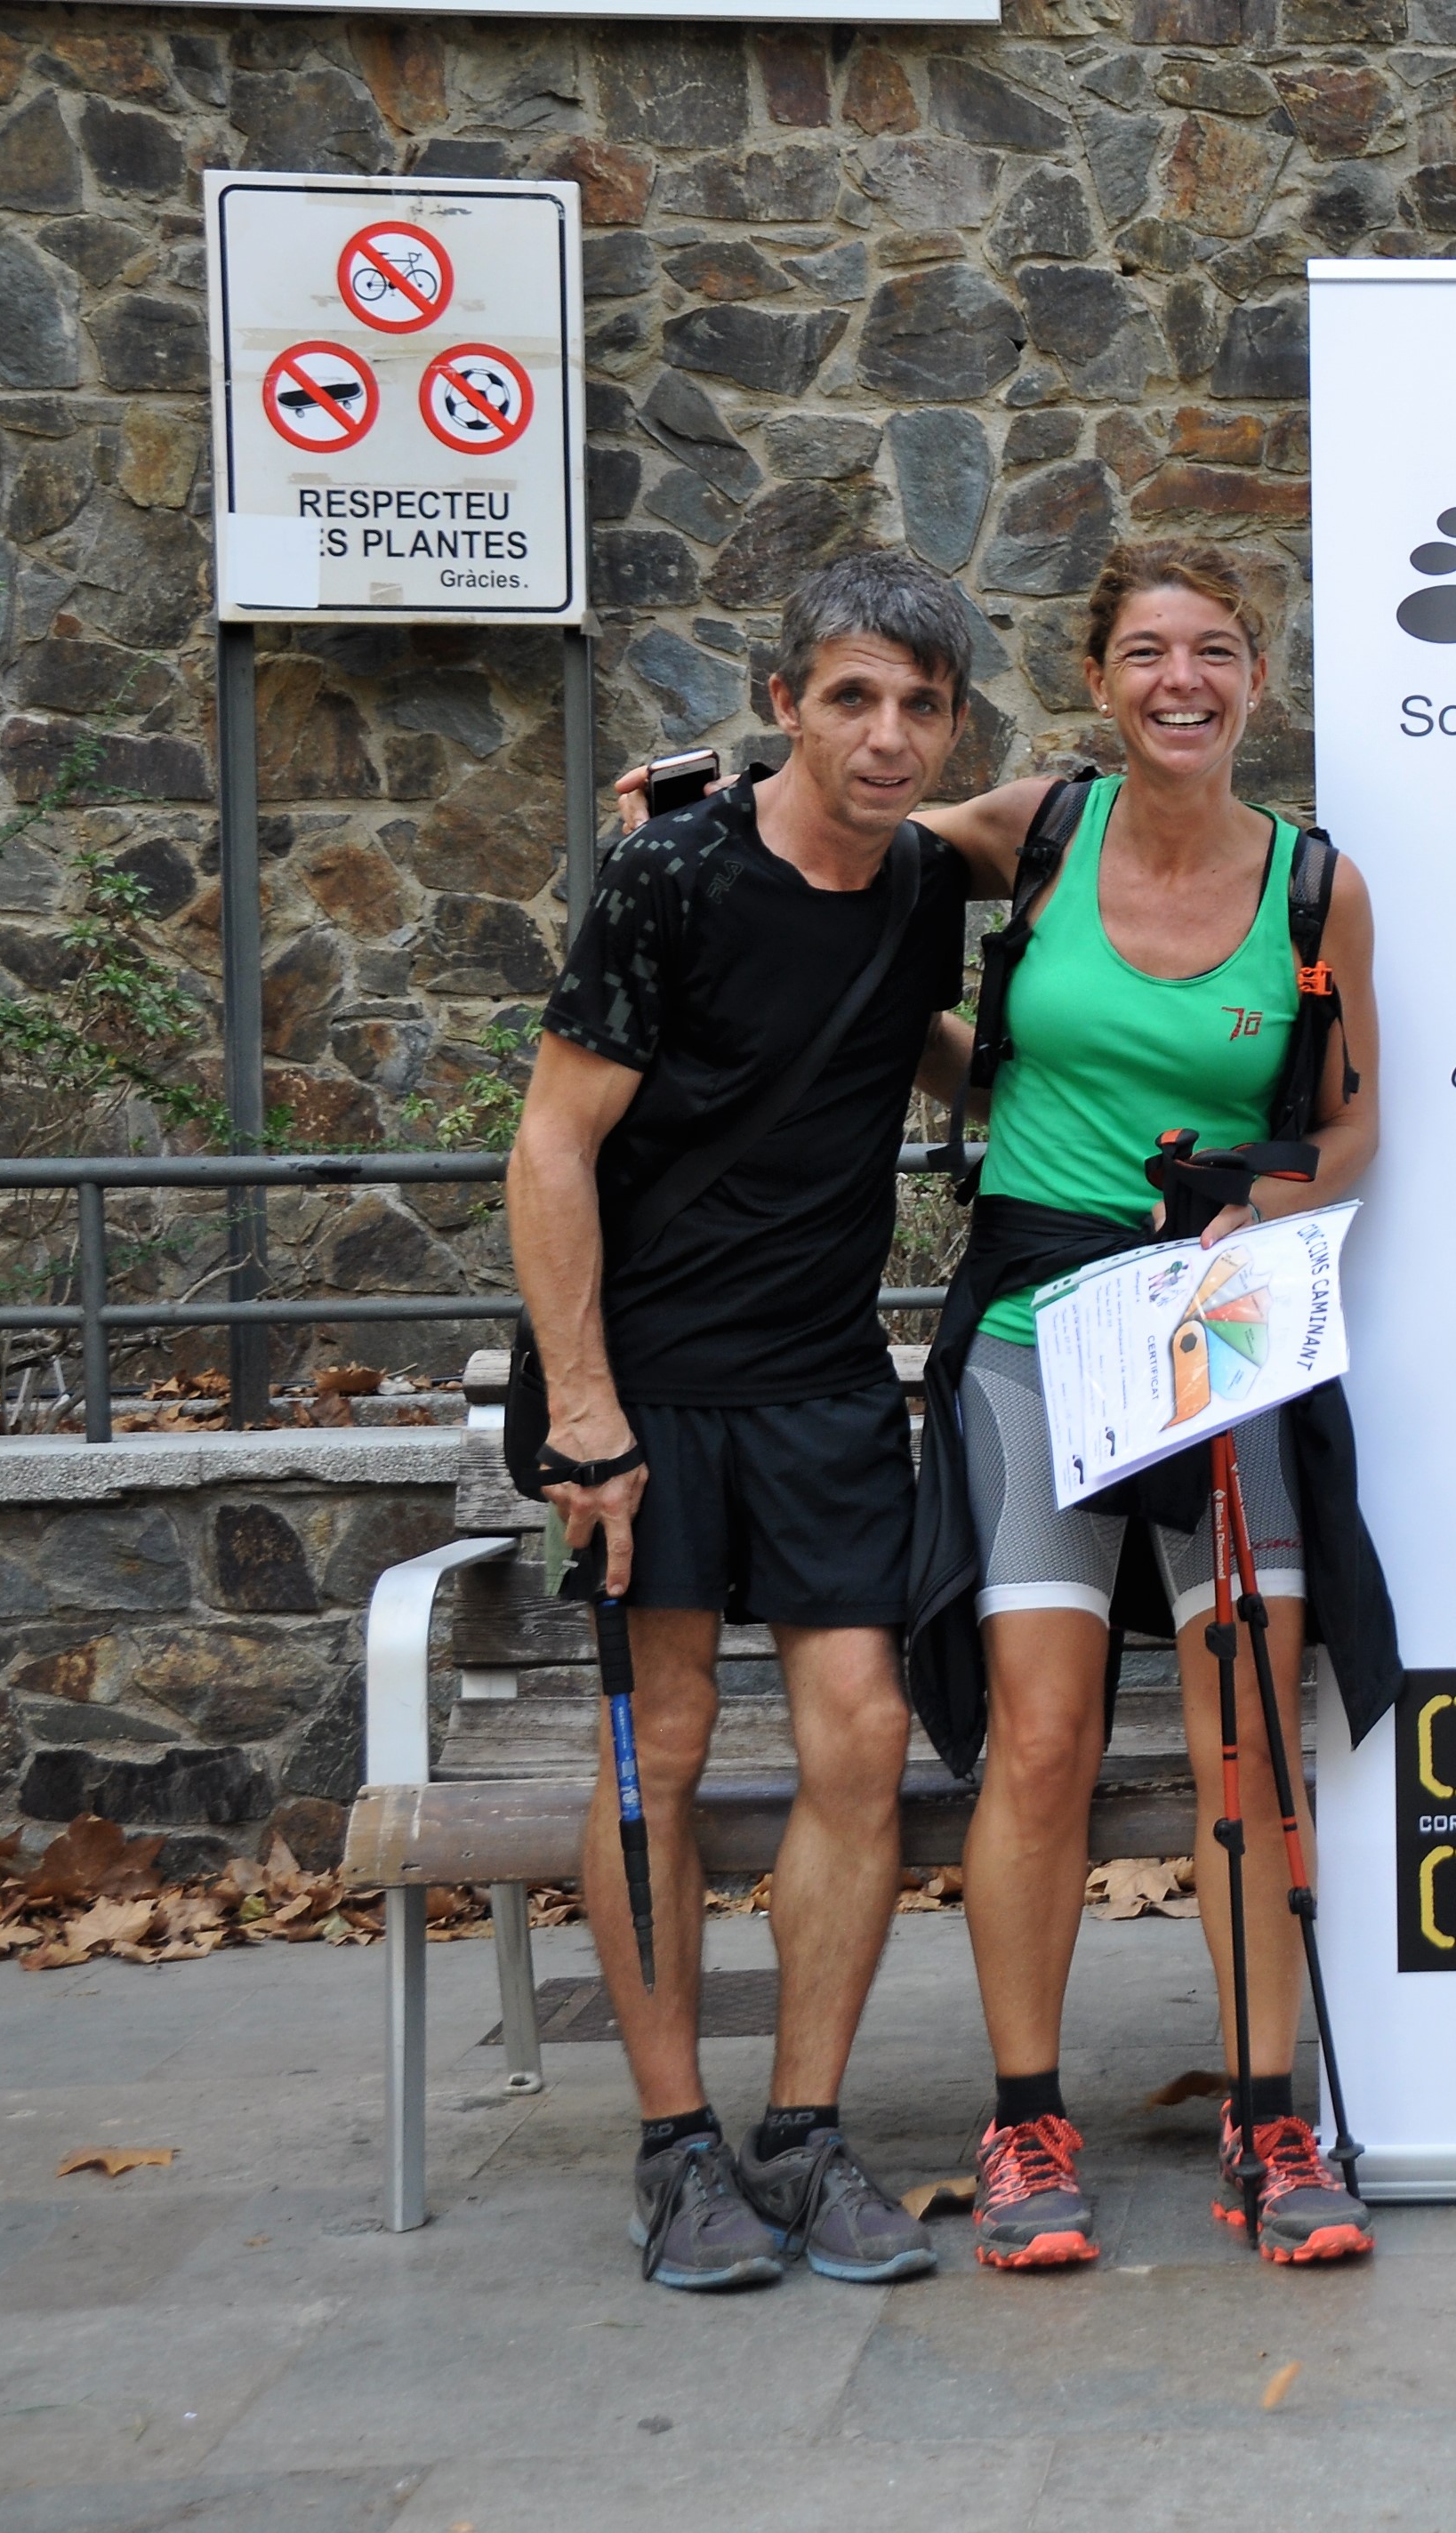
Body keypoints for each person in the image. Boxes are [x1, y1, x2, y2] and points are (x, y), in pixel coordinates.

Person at [901, 540, 1383, 2272]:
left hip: (1210, 1329)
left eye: (1216, 650)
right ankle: (1026, 2117)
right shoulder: (1034, 830)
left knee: (1244, 1727)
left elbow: (1349, 1121)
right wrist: (703, 835)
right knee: (1042, 1738)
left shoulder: (1312, 886)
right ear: (1099, 677)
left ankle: (1268, 2116)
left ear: (1254, 675)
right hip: (1036, 1326)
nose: (1184, 680)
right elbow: (844, 851)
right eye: (1149, 652)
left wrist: (1268, 1203)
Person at [513, 550, 981, 2291]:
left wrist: (1034, 1080)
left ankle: (801, 2130)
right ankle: (673, 2145)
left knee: (861, 1731)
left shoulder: (919, 881)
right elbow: (552, 1141)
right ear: (785, 702)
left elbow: (902, 1019)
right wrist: (583, 1409)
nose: (886, 733)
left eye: (920, 704)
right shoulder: (672, 874)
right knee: (667, 1740)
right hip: (646, 1381)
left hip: (825, 1376)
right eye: (850, 696)